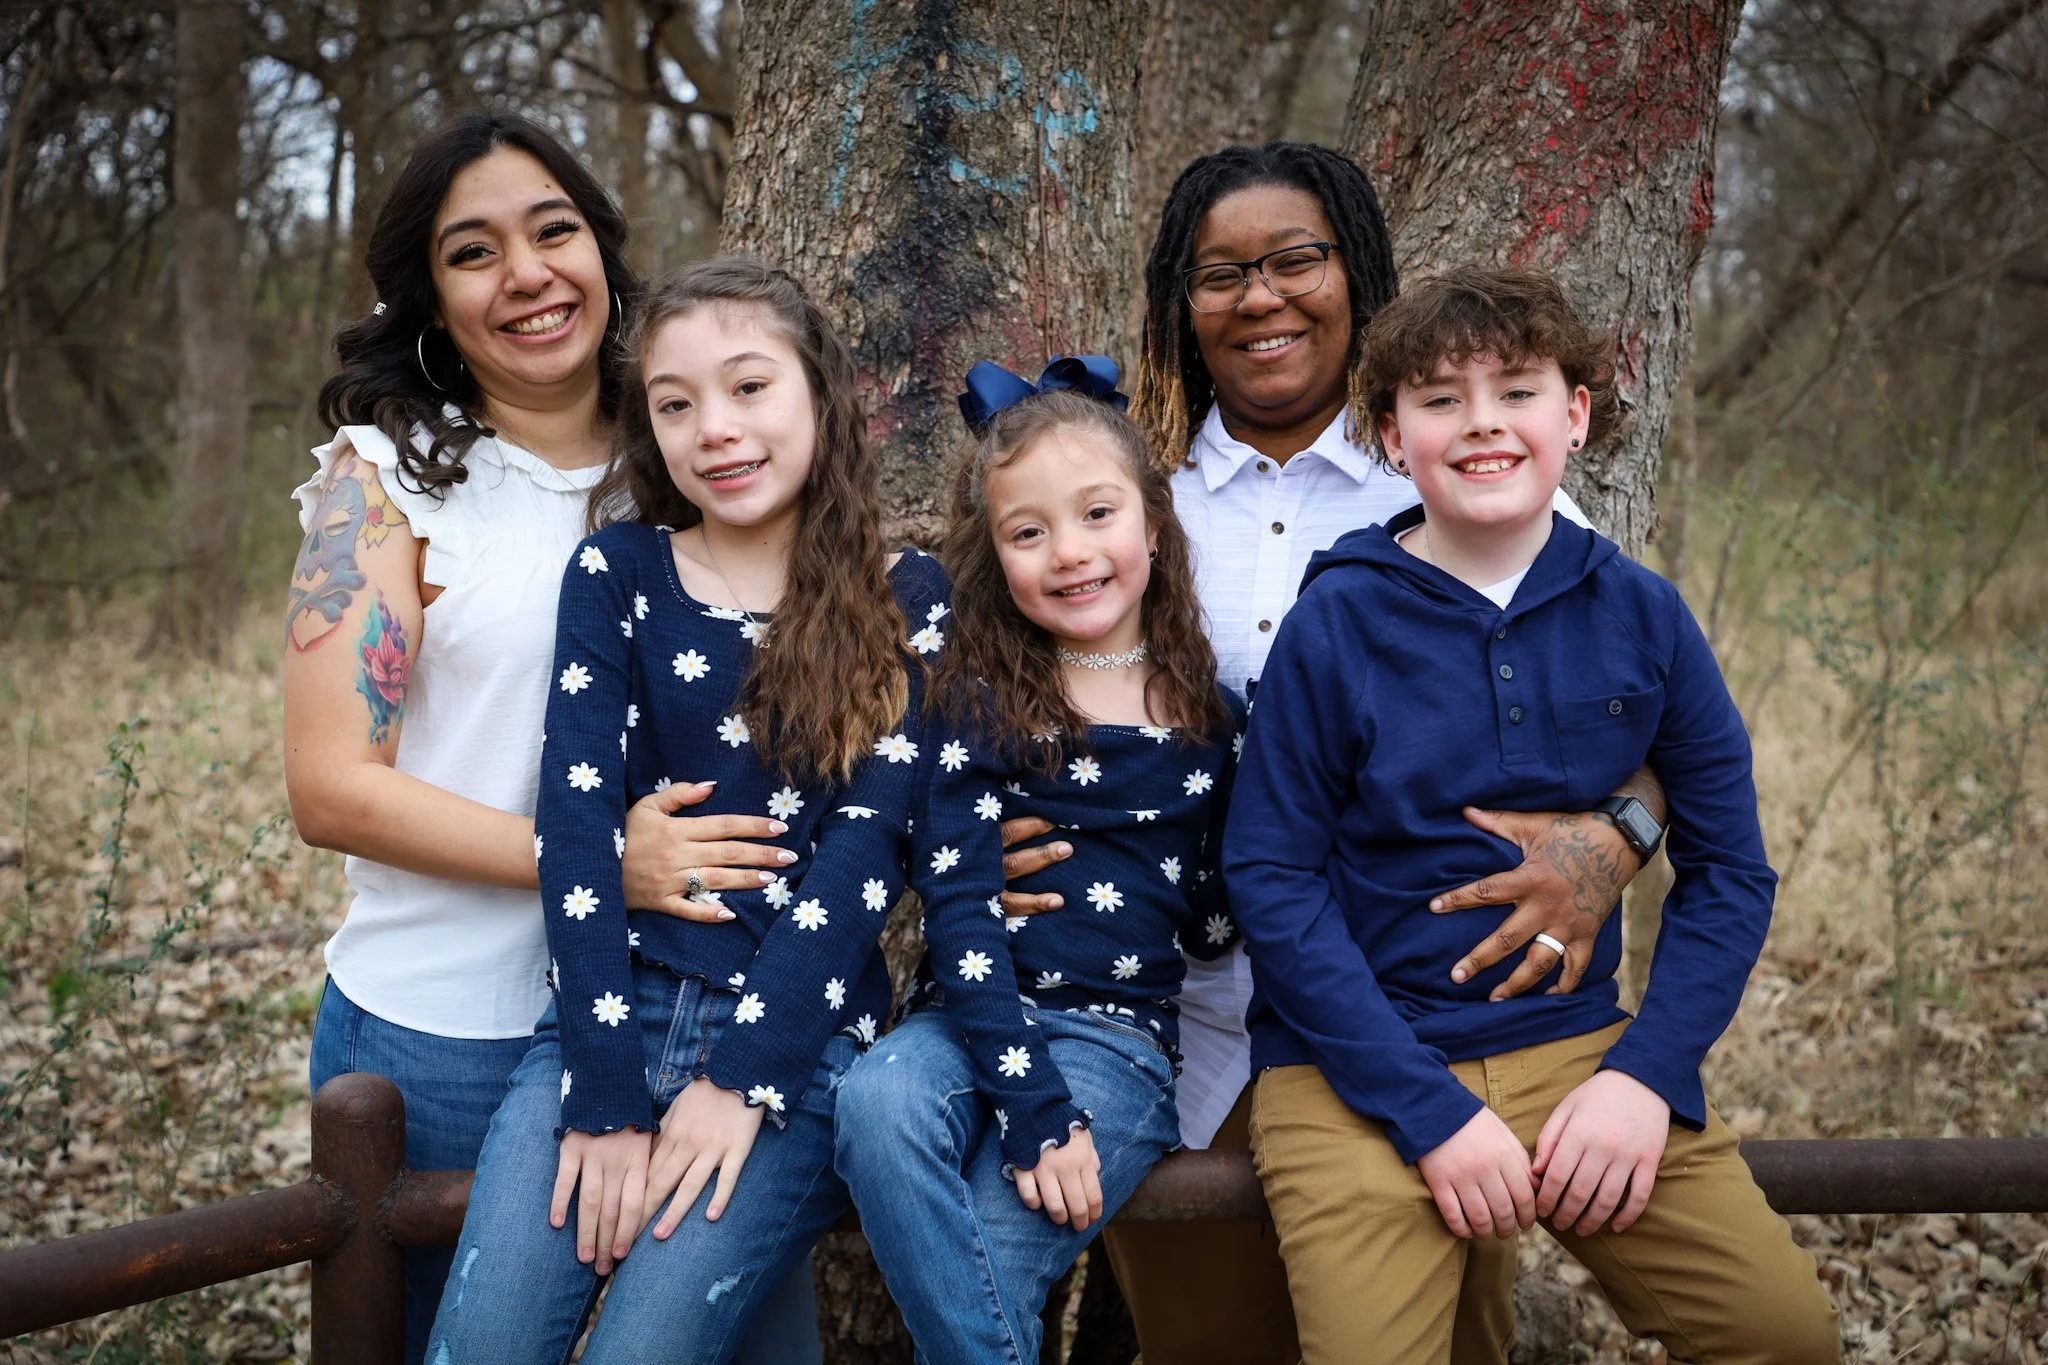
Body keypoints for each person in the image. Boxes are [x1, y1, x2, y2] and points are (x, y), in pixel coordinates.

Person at [1027, 139, 1667, 1364]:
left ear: (1355, 271)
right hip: (1175, 1017)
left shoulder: (1467, 480)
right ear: (1180, 301)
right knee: (1208, 1343)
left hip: (1434, 1020)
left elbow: (1655, 735)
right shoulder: (1126, 504)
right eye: (1219, 273)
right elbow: (1011, 717)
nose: (1259, 296)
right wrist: (994, 843)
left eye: (1295, 259)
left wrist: (1615, 838)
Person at [1225, 265, 1839, 1362]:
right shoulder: (1337, 622)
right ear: (1387, 433)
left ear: (1574, 414)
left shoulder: (1642, 616)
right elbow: (1271, 879)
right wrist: (1426, 1112)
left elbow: (1730, 873)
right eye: (1439, 399)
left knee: (1780, 1334)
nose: (1481, 426)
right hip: (1352, 1066)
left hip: (1575, 1052)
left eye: (1514, 390)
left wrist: (1646, 1076)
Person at [285, 113, 820, 1365]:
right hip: (451, 1030)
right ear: (429, 295)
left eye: (554, 229)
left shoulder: (693, 449)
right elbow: (329, 788)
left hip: (697, 1011)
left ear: (601, 249)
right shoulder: (385, 483)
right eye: (474, 252)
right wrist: (588, 859)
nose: (526, 273)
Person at [425, 255, 945, 1363]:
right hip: (600, 1020)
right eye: (674, 403)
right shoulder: (617, 575)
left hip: (793, 1046)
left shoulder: (906, 598)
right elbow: (575, 828)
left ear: (825, 395)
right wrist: (603, 1096)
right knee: (482, 1343)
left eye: (749, 387)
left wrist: (740, 1082)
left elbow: (867, 854)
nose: (714, 426)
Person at [833, 364, 1242, 1362]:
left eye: (1096, 514)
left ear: (1152, 523)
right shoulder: (976, 702)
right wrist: (1031, 1106)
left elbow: (1212, 919)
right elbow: (960, 911)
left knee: (990, 1257)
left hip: (1116, 1046)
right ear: (996, 555)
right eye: (1028, 532)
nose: (1069, 553)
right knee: (873, 1100)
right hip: (966, 1018)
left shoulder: (1213, 719)